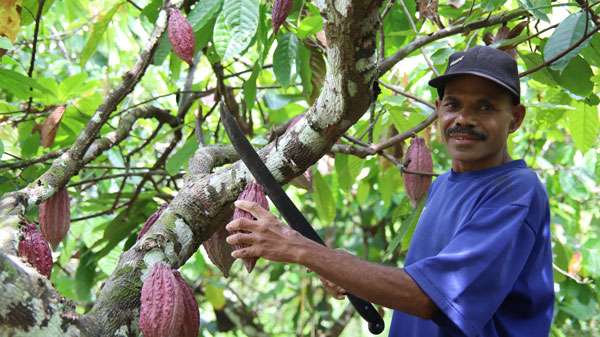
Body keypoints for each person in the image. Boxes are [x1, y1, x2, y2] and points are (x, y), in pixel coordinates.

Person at [225, 45, 555, 337]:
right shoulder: (442, 185)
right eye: (453, 104)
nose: (464, 119)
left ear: (515, 118)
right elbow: (421, 280)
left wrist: (298, 248)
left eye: (485, 107)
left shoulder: (516, 192)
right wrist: (341, 267)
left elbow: (430, 297)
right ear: (439, 109)